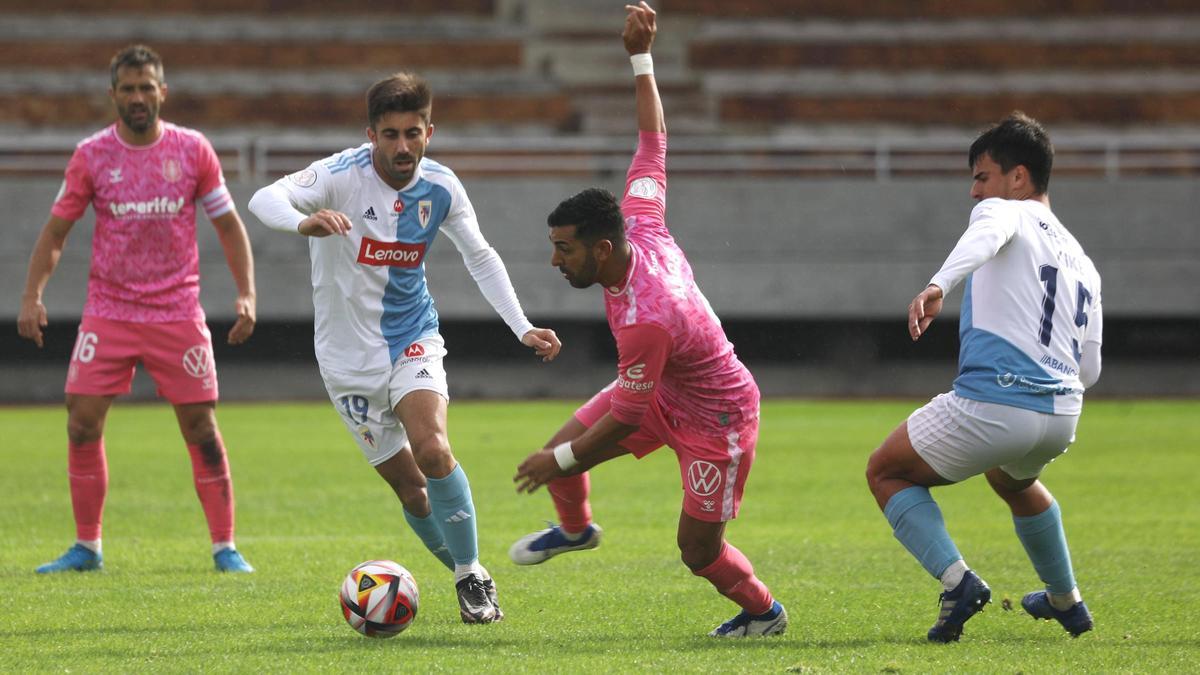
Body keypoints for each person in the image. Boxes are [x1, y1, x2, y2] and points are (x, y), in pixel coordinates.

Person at [510, 2, 787, 638]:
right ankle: (577, 532)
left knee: (697, 551)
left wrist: (563, 461)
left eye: (565, 249)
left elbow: (628, 417)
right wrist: (641, 57)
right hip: (664, 384)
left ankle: (763, 612)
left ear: (601, 250)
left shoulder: (645, 319)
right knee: (563, 447)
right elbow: (653, 141)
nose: (555, 260)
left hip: (718, 416)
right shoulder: (642, 219)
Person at [247, 73, 560, 625]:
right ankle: (470, 567)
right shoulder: (339, 176)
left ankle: (469, 577)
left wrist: (522, 326)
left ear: (429, 131)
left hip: (411, 336)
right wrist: (303, 221)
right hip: (344, 361)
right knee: (412, 491)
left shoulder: (442, 187)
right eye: (389, 134)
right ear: (370, 134)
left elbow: (480, 255)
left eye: (412, 133)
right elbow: (263, 197)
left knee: (433, 450)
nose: (402, 147)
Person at [19, 45, 258, 574]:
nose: (137, 97)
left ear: (162, 92)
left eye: (146, 87)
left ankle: (226, 547)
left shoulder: (193, 150)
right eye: (127, 88)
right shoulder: (91, 155)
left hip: (177, 310)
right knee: (80, 422)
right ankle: (87, 547)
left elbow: (228, 225)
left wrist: (247, 292)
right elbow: (57, 231)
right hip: (110, 310)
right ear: (113, 96)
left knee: (200, 427)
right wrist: (33, 295)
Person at [865, 112, 1102, 642]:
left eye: (981, 177)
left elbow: (987, 233)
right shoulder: (1083, 261)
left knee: (886, 471)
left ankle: (958, 583)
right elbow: (1091, 368)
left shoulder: (1004, 212)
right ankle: (1067, 600)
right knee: (1011, 480)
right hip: (1063, 415)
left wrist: (938, 285)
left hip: (999, 402)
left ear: (1018, 178)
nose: (975, 192)